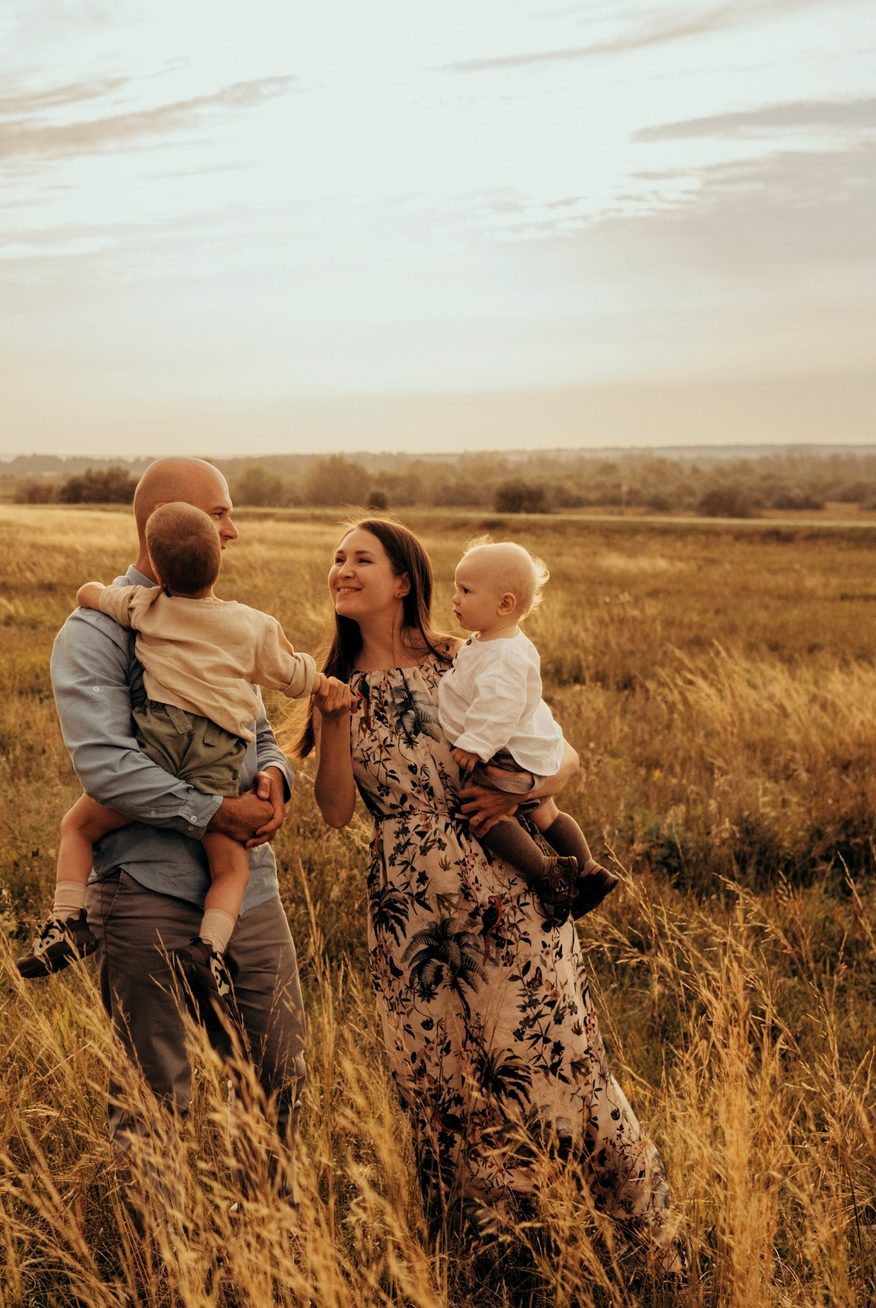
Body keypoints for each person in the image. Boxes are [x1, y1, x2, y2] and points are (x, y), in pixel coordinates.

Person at [306, 518, 673, 1246]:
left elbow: (564, 758)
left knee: (550, 1055)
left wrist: (515, 794)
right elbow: (337, 811)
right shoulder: (338, 686)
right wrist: (332, 721)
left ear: (404, 579)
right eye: (337, 558)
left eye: (361, 558)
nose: (342, 570)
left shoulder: (468, 656)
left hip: (506, 889)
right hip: (410, 912)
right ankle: (490, 1250)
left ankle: (635, 1233)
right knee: (439, 1078)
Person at [47, 456, 320, 1202]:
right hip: (145, 891)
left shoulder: (221, 622)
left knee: (278, 1074)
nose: (235, 530)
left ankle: (271, 1252)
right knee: (155, 1093)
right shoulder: (96, 632)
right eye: (223, 513)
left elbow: (256, 725)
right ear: (175, 516)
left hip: (247, 893)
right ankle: (161, 1269)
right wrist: (214, 811)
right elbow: (107, 767)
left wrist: (276, 778)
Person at [18, 500, 336, 985]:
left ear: (157, 566)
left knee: (78, 826)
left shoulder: (146, 607)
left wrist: (92, 590)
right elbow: (292, 677)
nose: (233, 528)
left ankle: (66, 920)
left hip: (160, 746)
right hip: (218, 756)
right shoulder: (251, 625)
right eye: (221, 515)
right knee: (230, 866)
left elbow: (93, 595)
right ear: (218, 559)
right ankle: (209, 949)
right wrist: (322, 682)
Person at [431, 538, 616, 925]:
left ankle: (548, 874)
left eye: (465, 591)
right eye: (456, 588)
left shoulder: (502, 655)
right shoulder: (494, 641)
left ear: (504, 604)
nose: (455, 599)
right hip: (525, 748)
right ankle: (590, 871)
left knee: (485, 817)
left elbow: (498, 707)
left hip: (504, 754)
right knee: (545, 812)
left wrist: (475, 744)